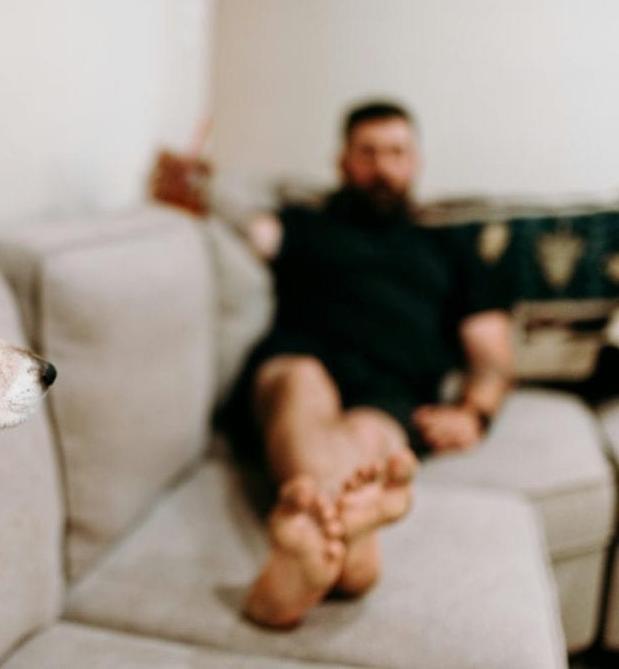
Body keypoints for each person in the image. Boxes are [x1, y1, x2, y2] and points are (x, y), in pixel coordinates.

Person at [152, 101, 514, 627]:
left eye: (396, 152)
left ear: (415, 162)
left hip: (393, 389)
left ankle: (309, 555)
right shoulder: (303, 224)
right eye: (367, 152)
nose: (382, 167)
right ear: (342, 161)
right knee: (301, 385)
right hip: (300, 359)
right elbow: (237, 220)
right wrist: (192, 185)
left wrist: (474, 413)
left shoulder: (453, 250)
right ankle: (353, 555)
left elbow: (492, 357)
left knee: (370, 440)